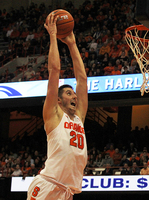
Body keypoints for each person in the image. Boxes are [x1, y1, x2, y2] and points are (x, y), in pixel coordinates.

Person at [27, 13, 88, 200]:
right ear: (58, 101)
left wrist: (72, 44)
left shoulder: (78, 117)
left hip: (67, 191)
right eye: (69, 93)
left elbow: (82, 80)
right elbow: (54, 71)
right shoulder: (53, 115)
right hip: (48, 185)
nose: (75, 96)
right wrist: (53, 36)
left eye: (74, 94)